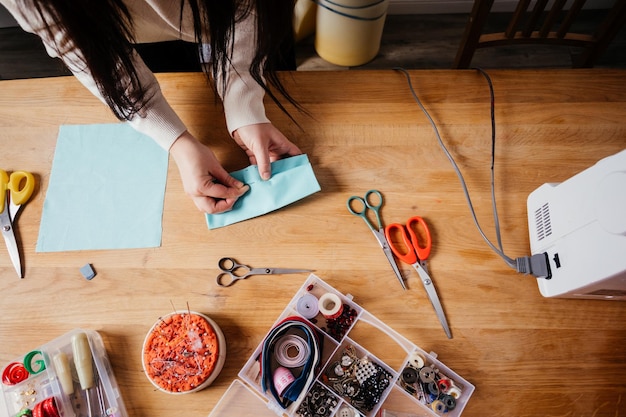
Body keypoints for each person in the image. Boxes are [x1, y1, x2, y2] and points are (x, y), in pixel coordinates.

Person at [0, 0, 303, 213]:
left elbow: (254, 8)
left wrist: (244, 107)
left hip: (249, 25)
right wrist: (177, 142)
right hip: (128, 34)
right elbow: (80, 45)